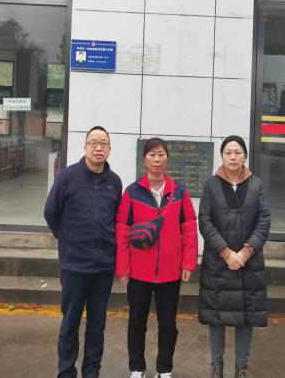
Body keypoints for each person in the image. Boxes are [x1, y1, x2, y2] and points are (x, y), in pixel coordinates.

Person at [115, 138, 198, 378]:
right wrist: (123, 268)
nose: (157, 159)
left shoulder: (179, 192)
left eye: (161, 154)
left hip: (170, 272)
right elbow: (122, 231)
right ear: (144, 159)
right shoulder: (132, 192)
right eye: (152, 155)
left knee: (168, 325)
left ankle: (164, 369)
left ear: (167, 158)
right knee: (136, 323)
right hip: (138, 272)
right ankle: (136, 368)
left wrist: (188, 262)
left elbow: (189, 228)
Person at [44, 126, 123, 378]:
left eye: (103, 143)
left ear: (109, 149)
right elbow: (51, 213)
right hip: (74, 266)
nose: (98, 148)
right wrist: (67, 239)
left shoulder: (115, 182)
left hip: (103, 267)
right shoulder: (67, 177)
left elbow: (117, 219)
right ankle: (66, 372)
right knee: (70, 322)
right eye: (93, 143)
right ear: (85, 147)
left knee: (97, 324)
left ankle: (91, 372)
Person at [198, 135, 271, 378]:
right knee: (216, 317)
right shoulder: (211, 185)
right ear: (222, 156)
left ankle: (242, 368)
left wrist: (246, 252)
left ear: (245, 156)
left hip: (249, 263)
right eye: (228, 152)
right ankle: (216, 366)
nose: (233, 157)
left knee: (246, 317)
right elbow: (205, 221)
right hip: (218, 263)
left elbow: (264, 221)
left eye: (237, 152)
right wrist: (227, 253)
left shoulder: (257, 185)